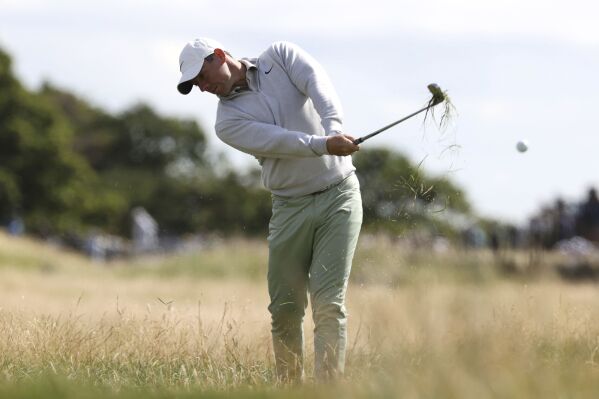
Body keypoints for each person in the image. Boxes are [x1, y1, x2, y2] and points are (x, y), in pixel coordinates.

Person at [176, 38, 363, 382]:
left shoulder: (279, 56)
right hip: (290, 206)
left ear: (219, 55)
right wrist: (325, 144)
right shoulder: (227, 122)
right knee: (286, 309)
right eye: (196, 85)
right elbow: (279, 141)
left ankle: (329, 389)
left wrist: (333, 126)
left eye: (201, 77)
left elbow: (317, 83)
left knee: (328, 303)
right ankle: (290, 387)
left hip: (339, 196)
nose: (203, 88)